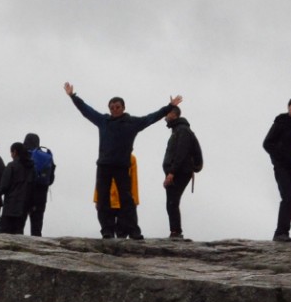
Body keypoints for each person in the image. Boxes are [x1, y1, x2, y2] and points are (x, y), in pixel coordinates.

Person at [66, 83, 178, 240]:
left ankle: (134, 231)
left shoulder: (132, 123)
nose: (114, 109)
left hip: (122, 166)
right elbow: (86, 110)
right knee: (103, 199)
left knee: (127, 200)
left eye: (117, 106)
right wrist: (73, 96)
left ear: (123, 107)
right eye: (111, 107)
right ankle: (107, 231)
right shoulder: (103, 121)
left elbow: (151, 118)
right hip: (104, 165)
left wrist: (169, 107)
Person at [261, 97, 291, 241]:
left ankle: (284, 232)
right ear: (289, 106)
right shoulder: (281, 121)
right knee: (287, 197)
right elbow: (267, 143)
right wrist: (280, 159)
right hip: (282, 167)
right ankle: (280, 232)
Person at [161, 107, 204, 240]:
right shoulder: (177, 130)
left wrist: (172, 172)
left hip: (180, 172)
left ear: (174, 114)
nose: (165, 117)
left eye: (166, 114)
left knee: (172, 201)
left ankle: (176, 232)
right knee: (172, 201)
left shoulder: (182, 130)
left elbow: (181, 152)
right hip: (177, 171)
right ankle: (175, 231)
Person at [94, 156, 140, 238]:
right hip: (107, 198)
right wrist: (97, 198)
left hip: (124, 198)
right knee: (107, 230)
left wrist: (135, 200)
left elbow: (134, 180)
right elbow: (100, 180)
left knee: (123, 229)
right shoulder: (105, 157)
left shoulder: (131, 158)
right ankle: (108, 235)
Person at [0, 142, 37, 234]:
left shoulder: (11, 165)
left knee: (3, 233)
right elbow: (33, 187)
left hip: (10, 206)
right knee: (18, 232)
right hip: (24, 207)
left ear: (14, 152)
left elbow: (4, 186)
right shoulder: (32, 167)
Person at [22, 133, 56, 236]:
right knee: (37, 223)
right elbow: (50, 179)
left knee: (19, 224)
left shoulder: (23, 154)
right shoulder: (45, 156)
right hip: (40, 194)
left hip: (24, 193)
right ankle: (37, 240)